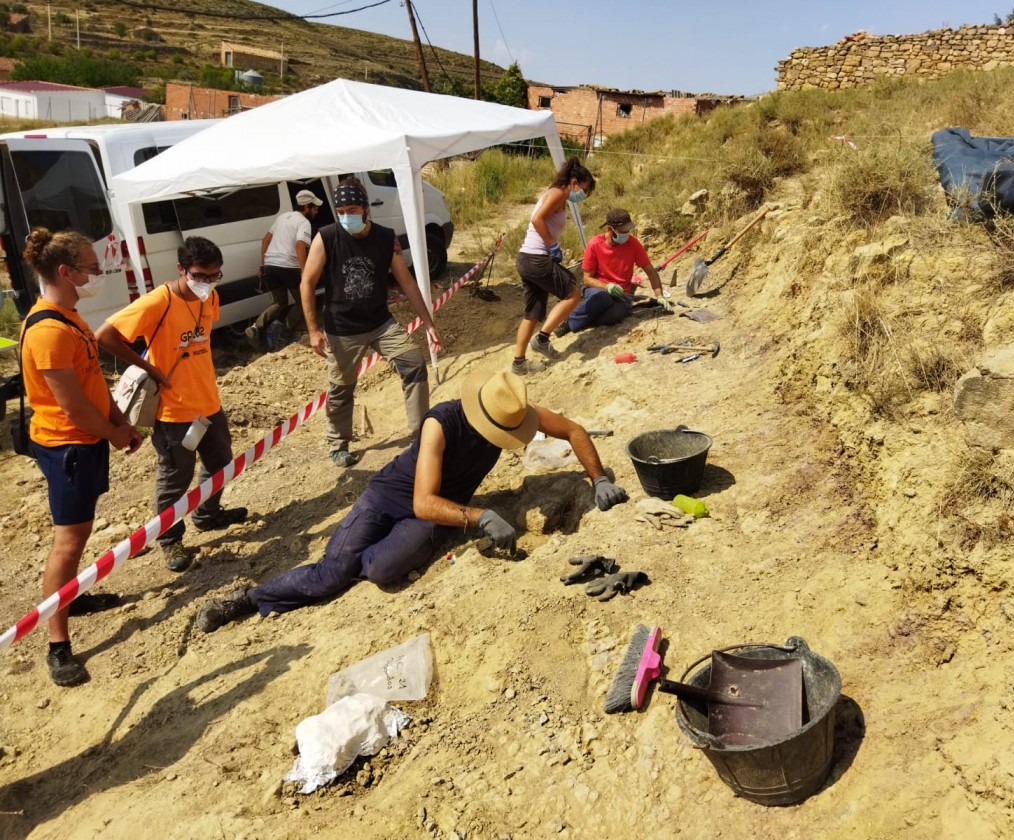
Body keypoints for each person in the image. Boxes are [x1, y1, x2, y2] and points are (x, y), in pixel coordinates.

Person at [194, 370, 629, 631]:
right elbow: (422, 501)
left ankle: (365, 558)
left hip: (437, 507)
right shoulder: (441, 424)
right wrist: (478, 516)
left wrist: (598, 479)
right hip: (391, 497)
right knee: (330, 576)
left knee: (380, 570)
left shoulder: (513, 408)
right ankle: (247, 599)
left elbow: (573, 430)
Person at [19, 228, 143, 686]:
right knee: (69, 539)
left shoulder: (71, 316)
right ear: (66, 272)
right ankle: (57, 642)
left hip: (86, 439)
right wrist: (112, 433)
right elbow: (71, 406)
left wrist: (119, 423)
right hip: (67, 444)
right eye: (92, 268)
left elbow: (94, 383)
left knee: (83, 527)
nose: (99, 274)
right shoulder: (49, 330)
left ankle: (71, 595)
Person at [96, 237, 248, 574]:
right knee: (175, 476)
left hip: (208, 402)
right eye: (200, 275)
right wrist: (150, 368)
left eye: (214, 276)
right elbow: (104, 336)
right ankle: (170, 539)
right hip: (174, 412)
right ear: (181, 269)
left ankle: (207, 515)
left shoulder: (211, 298)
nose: (207, 283)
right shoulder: (157, 302)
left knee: (221, 461)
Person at [301, 177, 443, 468]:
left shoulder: (385, 237)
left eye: (352, 209)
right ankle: (338, 443)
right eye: (340, 210)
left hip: (380, 322)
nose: (345, 216)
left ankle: (419, 434)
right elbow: (307, 282)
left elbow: (407, 282)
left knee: (413, 364)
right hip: (342, 328)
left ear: (366, 209)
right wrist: (313, 330)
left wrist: (428, 324)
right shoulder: (326, 237)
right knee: (342, 388)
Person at [511, 157, 595, 375]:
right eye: (583, 190)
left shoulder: (557, 194)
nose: (583, 195)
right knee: (573, 294)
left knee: (532, 313)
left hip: (528, 258)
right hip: (536, 258)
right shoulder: (558, 193)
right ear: (574, 181)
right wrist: (553, 245)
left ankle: (518, 363)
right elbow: (537, 219)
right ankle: (542, 339)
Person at [562, 208, 671, 335]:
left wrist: (660, 296)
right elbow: (587, 279)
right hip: (597, 289)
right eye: (622, 231)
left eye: (628, 230)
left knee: (616, 315)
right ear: (610, 229)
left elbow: (651, 272)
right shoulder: (594, 244)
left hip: (621, 295)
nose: (626, 234)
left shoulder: (633, 244)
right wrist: (607, 286)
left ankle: (587, 318)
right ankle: (568, 323)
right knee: (602, 298)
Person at [245, 189, 323, 348]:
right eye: (315, 207)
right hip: (289, 267)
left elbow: (265, 240)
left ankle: (256, 327)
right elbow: (300, 245)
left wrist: (262, 265)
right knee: (303, 301)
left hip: (271, 266)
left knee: (280, 302)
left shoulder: (282, 217)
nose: (317, 210)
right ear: (307, 207)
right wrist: (304, 272)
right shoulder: (304, 223)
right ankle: (284, 333)